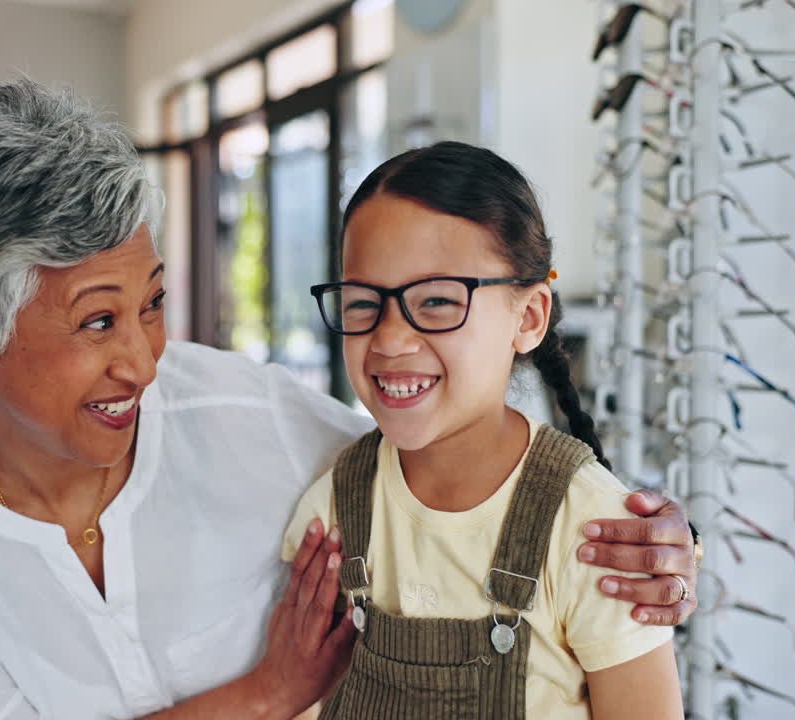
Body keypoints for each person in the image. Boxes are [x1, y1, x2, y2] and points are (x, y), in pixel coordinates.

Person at [0, 78, 699, 720]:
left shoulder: (258, 423)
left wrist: (656, 544)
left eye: (153, 304)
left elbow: (442, 462)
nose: (144, 363)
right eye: (98, 321)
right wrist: (268, 693)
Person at [282, 141, 685, 718]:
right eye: (364, 302)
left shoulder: (597, 533)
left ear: (528, 318)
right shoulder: (334, 509)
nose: (391, 339)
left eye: (439, 301)